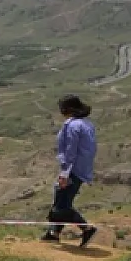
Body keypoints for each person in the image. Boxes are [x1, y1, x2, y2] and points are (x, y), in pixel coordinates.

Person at [43, 94, 98, 247]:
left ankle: (87, 228)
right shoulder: (87, 124)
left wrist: (65, 173)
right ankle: (54, 233)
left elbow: (70, 151)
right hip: (81, 169)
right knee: (61, 200)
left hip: (72, 170)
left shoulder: (72, 126)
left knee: (62, 206)